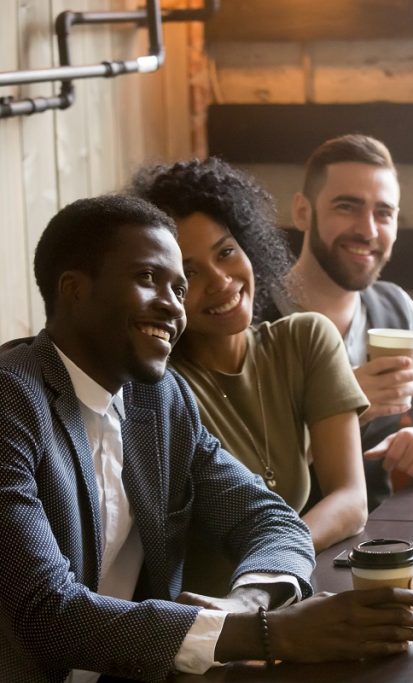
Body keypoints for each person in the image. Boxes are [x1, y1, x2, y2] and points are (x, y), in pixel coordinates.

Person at [0, 195, 413, 682]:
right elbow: (44, 613)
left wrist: (247, 604)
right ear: (74, 290)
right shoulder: (11, 401)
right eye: (147, 279)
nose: (171, 305)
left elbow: (271, 519)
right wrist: (270, 634)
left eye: (178, 289)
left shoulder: (159, 399)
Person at [132, 158, 369, 595]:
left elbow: (351, 501)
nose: (221, 282)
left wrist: (275, 565)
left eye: (225, 252)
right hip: (207, 625)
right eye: (190, 273)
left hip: (284, 591)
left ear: (249, 247)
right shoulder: (159, 390)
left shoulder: (305, 339)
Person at [266, 134, 413, 509]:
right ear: (302, 212)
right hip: (276, 545)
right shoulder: (252, 317)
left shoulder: (395, 309)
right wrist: (343, 406)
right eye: (346, 207)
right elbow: (244, 468)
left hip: (378, 540)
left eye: (384, 213)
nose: (367, 231)